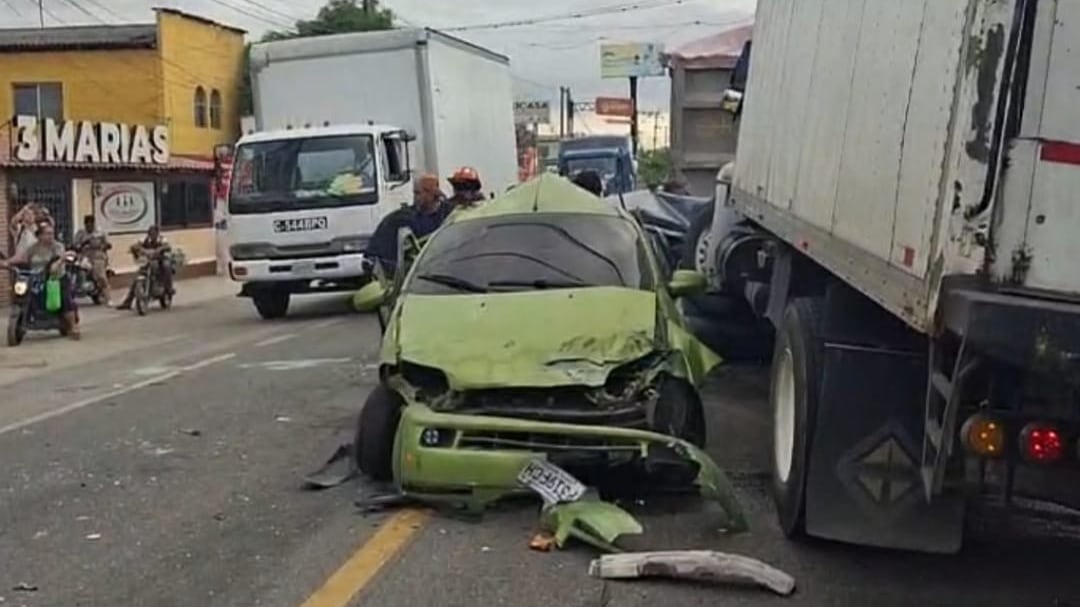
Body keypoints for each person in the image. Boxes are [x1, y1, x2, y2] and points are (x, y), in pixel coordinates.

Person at [0, 220, 81, 339]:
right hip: (35, 278)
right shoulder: (33, 248)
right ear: (39, 235)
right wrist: (7, 262)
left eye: (51, 233)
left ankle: (73, 326)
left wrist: (58, 263)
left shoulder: (57, 246)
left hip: (56, 278)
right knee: (25, 293)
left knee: (65, 298)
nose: (50, 236)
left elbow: (60, 258)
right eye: (47, 233)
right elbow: (21, 258)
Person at [366, 174, 450, 274]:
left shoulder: (449, 216)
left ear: (433, 195)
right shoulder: (400, 219)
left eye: (418, 193)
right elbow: (375, 253)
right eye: (414, 193)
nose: (415, 198)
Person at [117, 226, 173, 310]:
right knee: (137, 278)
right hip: (147, 260)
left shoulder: (162, 239)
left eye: (154, 233)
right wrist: (136, 248)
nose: (152, 235)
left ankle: (168, 289)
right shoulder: (144, 239)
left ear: (157, 233)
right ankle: (128, 302)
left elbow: (167, 246)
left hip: (160, 260)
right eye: (150, 233)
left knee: (167, 266)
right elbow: (136, 245)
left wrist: (160, 249)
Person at [73, 215, 112, 304]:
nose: (89, 226)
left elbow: (109, 245)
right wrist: (82, 244)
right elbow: (75, 245)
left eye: (91, 224)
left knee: (100, 276)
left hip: (98, 256)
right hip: (84, 256)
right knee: (77, 268)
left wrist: (102, 246)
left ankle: (108, 298)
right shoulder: (81, 233)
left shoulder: (100, 232)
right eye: (87, 224)